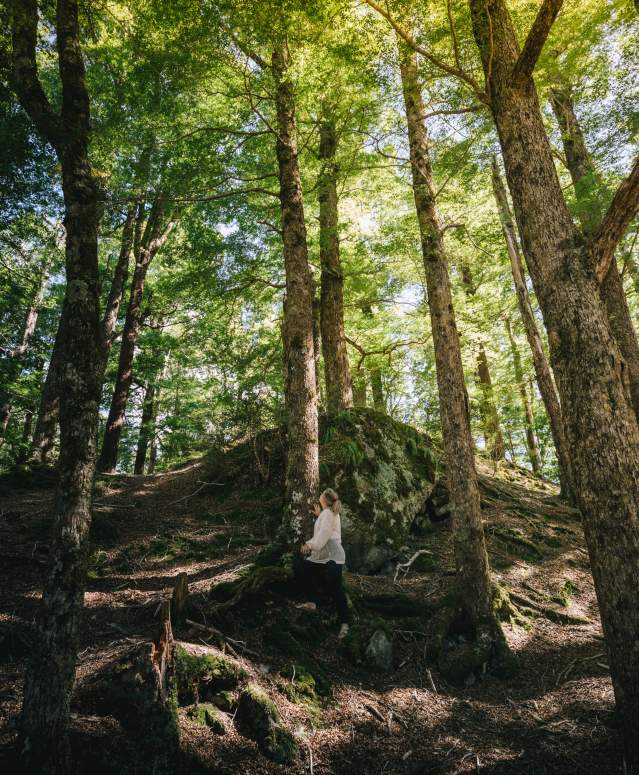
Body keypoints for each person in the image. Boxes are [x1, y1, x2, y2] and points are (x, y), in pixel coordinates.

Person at [296, 487, 350, 639]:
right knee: (304, 567)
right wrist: (319, 515)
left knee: (336, 589)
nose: (319, 495)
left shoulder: (328, 513)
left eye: (321, 494)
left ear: (324, 499)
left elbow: (323, 537)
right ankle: (312, 602)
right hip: (326, 555)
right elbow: (327, 527)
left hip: (332, 555)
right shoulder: (329, 513)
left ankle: (344, 623)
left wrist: (309, 545)